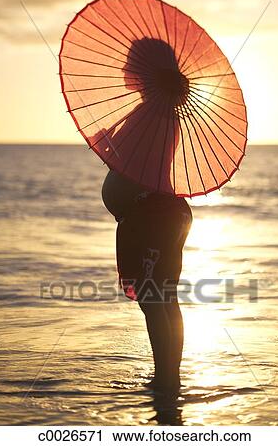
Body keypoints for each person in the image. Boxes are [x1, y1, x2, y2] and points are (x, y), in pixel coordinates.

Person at [100, 38, 192, 394]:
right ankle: (169, 376)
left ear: (145, 73)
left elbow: (130, 163)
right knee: (164, 297)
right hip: (164, 214)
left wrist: (107, 144)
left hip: (153, 216)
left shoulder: (151, 113)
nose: (125, 69)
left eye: (129, 64)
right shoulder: (162, 112)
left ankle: (166, 380)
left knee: (155, 300)